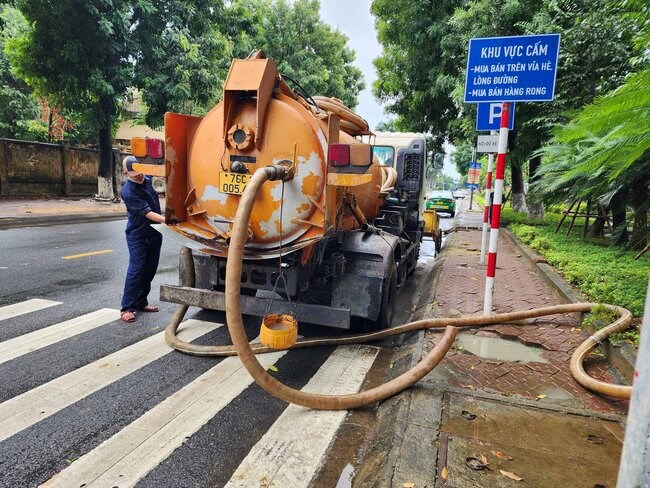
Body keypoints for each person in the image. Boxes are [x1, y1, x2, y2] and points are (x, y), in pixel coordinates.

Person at [120, 155, 165, 323]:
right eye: (133, 173)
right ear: (126, 173)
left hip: (155, 233)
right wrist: (169, 221)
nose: (138, 175)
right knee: (137, 269)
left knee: (150, 269)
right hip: (137, 235)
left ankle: (141, 302)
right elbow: (148, 213)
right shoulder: (128, 191)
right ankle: (127, 308)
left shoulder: (150, 180)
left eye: (139, 172)